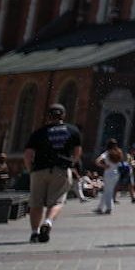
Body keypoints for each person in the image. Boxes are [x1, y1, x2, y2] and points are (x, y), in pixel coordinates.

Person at [22, 104, 83, 243]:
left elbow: (28, 154)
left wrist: (30, 169)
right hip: (61, 169)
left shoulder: (39, 132)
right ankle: (48, 222)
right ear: (63, 115)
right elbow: (77, 152)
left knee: (36, 203)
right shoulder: (72, 130)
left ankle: (34, 233)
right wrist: (72, 163)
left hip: (39, 169)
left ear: (48, 116)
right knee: (57, 201)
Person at [95, 140, 129, 214]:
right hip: (116, 173)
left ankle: (109, 208)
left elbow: (97, 161)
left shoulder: (107, 153)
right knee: (108, 190)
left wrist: (103, 165)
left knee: (108, 191)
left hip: (108, 173)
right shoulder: (119, 152)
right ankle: (100, 207)